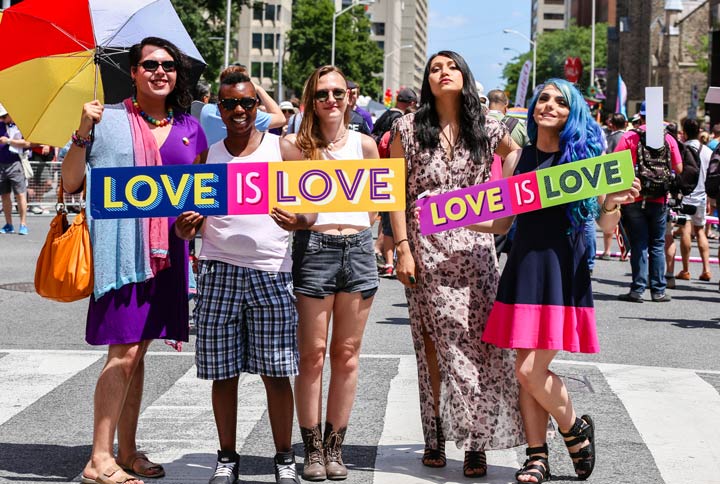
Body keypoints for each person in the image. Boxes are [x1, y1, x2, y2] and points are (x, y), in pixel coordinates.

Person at [61, 37, 208, 484]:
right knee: (123, 354)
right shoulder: (106, 119)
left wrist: (193, 223)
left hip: (171, 257)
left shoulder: (190, 127)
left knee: (138, 355)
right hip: (124, 255)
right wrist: (83, 131)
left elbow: (197, 195)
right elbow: (70, 183)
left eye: (168, 65)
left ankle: (126, 450)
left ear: (177, 74)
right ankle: (98, 458)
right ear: (134, 71)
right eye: (150, 64)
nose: (160, 71)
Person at [482, 79, 641, 483]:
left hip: (564, 272)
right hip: (523, 268)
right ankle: (537, 456)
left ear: (573, 113)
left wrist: (613, 201)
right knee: (524, 368)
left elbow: (605, 222)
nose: (548, 106)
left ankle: (573, 429)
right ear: (533, 109)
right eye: (543, 100)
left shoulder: (588, 162)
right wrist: (446, 218)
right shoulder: (519, 159)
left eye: (559, 101)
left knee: (531, 371)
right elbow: (502, 223)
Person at [389, 50, 525, 478]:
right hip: (425, 251)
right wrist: (402, 247)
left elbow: (516, 152)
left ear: (465, 77)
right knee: (433, 346)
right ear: (428, 81)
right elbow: (394, 192)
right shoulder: (407, 128)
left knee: (477, 346)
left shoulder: (488, 126)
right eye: (434, 68)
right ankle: (434, 434)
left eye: (451, 67)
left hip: (475, 250)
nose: (443, 73)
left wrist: (497, 196)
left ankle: (476, 441)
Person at [176, 71, 301, 484]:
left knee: (277, 371)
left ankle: (285, 458)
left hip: (271, 271)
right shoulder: (207, 156)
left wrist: (299, 219)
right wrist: (186, 227)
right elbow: (184, 226)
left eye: (247, 103)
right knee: (222, 371)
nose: (239, 111)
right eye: (229, 104)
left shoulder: (282, 149)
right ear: (218, 109)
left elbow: (313, 206)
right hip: (218, 271)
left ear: (257, 106)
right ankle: (227, 457)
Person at [271, 65, 379, 482]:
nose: (331, 101)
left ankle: (336, 446)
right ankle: (312, 448)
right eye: (322, 95)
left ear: (350, 97)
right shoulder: (294, 148)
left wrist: (360, 226)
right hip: (313, 250)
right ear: (310, 101)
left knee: (347, 356)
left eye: (338, 93)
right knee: (312, 356)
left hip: (357, 250)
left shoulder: (365, 145)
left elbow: (377, 201)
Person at [614, 101, 683, 303]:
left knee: (639, 243)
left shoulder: (630, 137)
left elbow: (615, 163)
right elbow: (678, 168)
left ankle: (637, 289)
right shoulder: (668, 138)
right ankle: (658, 290)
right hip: (660, 197)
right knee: (657, 244)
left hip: (634, 195)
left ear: (640, 117)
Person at [667, 117, 713, 283]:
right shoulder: (707, 151)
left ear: (684, 133)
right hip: (702, 194)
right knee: (700, 230)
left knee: (685, 228)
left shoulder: (681, 149)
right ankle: (706, 269)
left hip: (685, 194)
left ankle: (686, 269)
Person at [200, 64, 286, 145]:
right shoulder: (252, 116)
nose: (239, 110)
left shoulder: (206, 110)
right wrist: (258, 89)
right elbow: (281, 119)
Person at [0, 105, 32, 235]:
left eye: (4, 116)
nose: (2, 119)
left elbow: (29, 143)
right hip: (1, 165)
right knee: (5, 195)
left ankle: (23, 224)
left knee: (20, 194)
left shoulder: (21, 126)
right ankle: (9, 224)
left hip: (15, 163)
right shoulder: (1, 125)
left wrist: (9, 141)